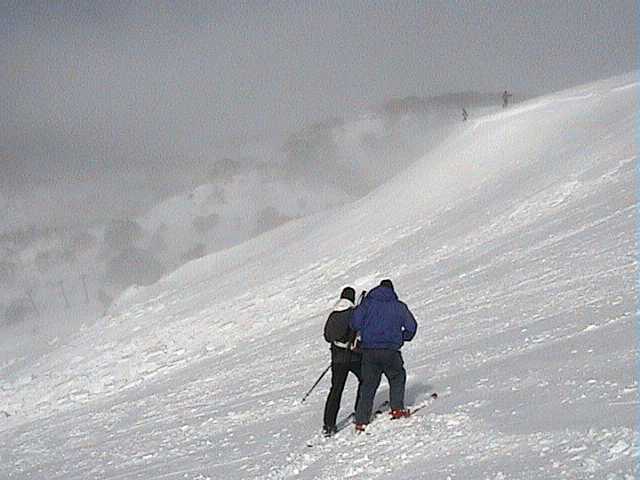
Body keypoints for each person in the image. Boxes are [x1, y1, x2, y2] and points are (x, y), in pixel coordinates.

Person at [350, 279, 417, 432]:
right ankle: (397, 408)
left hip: (369, 351)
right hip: (391, 350)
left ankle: (361, 420)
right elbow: (412, 327)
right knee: (397, 377)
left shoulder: (367, 303)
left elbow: (354, 323)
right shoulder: (399, 306)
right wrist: (402, 337)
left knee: (368, 384)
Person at [322, 286, 363, 437]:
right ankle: (360, 412)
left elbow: (327, 336)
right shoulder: (353, 312)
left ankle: (328, 424)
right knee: (364, 380)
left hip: (337, 358)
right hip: (353, 356)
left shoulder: (334, 313)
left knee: (336, 389)